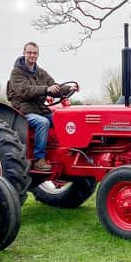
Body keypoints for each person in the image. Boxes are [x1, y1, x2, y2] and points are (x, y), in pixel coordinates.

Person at [7, 41, 76, 171]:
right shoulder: (17, 72)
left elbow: (54, 86)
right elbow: (25, 90)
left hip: (39, 109)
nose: (32, 55)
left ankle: (67, 153)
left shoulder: (41, 72)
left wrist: (68, 88)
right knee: (42, 123)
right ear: (24, 53)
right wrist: (46, 89)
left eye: (35, 53)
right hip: (23, 111)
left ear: (38, 55)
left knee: (61, 119)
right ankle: (39, 159)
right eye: (29, 52)